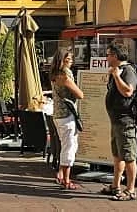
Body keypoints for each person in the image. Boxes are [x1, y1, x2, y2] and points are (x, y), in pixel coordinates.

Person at [103, 42, 137, 202]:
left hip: (125, 121)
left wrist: (117, 76)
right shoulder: (117, 70)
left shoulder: (128, 70)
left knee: (129, 156)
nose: (106, 58)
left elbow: (128, 91)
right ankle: (115, 185)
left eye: (108, 54)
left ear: (115, 56)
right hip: (116, 120)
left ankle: (130, 190)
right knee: (118, 155)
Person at [50, 48, 84, 191]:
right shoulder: (64, 75)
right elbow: (80, 94)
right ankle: (66, 180)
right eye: (68, 59)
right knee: (69, 147)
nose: (71, 62)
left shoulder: (54, 74)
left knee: (65, 145)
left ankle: (61, 174)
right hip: (66, 115)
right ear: (62, 60)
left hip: (58, 114)